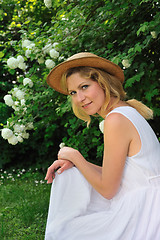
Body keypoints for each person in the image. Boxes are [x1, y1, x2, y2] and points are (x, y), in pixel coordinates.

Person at [44, 52, 160, 240]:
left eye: (84, 87)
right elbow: (123, 176)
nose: (79, 98)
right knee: (71, 174)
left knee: (67, 229)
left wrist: (74, 156)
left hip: (146, 212)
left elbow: (108, 190)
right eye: (73, 92)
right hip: (148, 201)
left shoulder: (116, 120)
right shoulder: (127, 111)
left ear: (103, 83)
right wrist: (77, 165)